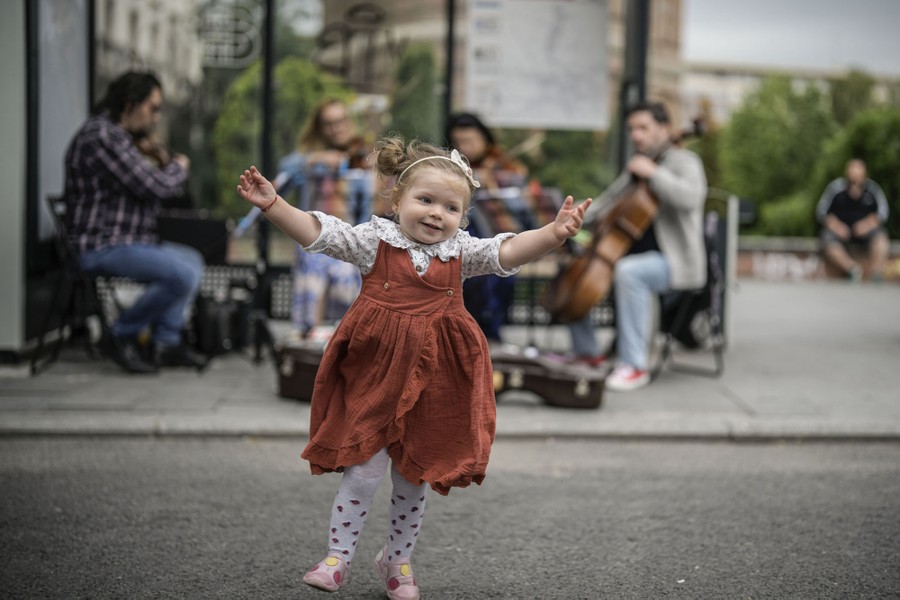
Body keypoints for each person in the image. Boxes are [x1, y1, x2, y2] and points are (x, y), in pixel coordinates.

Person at [236, 137, 590, 598]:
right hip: (376, 373)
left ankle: (397, 562)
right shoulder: (372, 242)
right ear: (397, 199)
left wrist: (553, 233)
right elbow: (319, 234)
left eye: (449, 207)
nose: (435, 214)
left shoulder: (460, 251)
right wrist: (274, 204)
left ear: (462, 218)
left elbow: (507, 252)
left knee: (413, 474)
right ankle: (337, 558)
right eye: (424, 200)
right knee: (363, 469)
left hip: (436, 377)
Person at [63, 71, 205, 374]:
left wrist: (160, 159)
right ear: (130, 104)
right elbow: (156, 187)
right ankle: (121, 333)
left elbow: (151, 186)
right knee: (180, 275)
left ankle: (166, 342)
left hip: (129, 241)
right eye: (152, 108)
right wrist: (178, 166)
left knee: (192, 261)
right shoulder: (102, 136)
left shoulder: (121, 138)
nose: (155, 118)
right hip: (101, 245)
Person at [569, 100, 708, 392]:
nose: (636, 135)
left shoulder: (684, 162)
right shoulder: (639, 163)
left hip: (675, 262)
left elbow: (691, 199)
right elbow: (608, 201)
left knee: (630, 272)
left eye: (643, 128)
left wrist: (654, 174)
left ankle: (634, 366)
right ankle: (588, 354)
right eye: (632, 128)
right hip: (629, 253)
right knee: (577, 273)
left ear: (664, 129)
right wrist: (575, 220)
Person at [275, 98, 375, 338]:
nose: (336, 128)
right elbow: (283, 171)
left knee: (347, 294)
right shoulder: (310, 157)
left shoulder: (363, 152)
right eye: (328, 123)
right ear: (320, 128)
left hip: (351, 239)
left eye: (340, 121)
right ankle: (309, 341)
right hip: (315, 237)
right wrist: (314, 158)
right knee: (312, 280)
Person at [445, 112, 531, 342]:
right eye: (459, 143)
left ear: (485, 140)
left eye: (471, 141)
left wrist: (490, 182)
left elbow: (524, 209)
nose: (466, 148)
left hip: (499, 240)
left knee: (498, 274)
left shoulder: (507, 168)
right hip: (463, 242)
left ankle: (490, 332)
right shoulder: (450, 170)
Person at [815, 158, 890, 282]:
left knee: (881, 237)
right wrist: (837, 227)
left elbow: (882, 213)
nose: (854, 172)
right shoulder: (835, 188)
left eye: (858, 169)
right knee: (826, 238)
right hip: (840, 231)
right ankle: (852, 269)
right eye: (852, 169)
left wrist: (867, 225)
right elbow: (821, 212)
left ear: (864, 173)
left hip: (866, 231)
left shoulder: (872, 189)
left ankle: (876, 272)